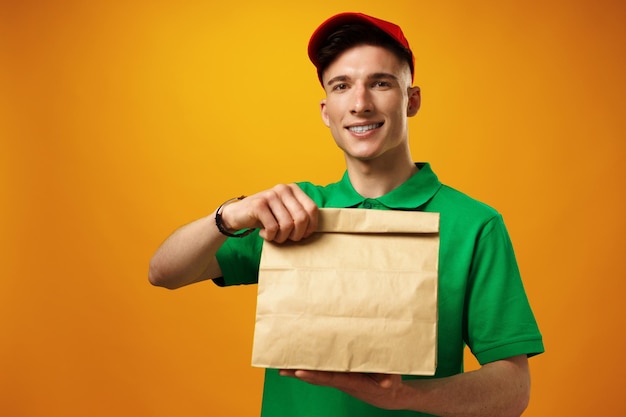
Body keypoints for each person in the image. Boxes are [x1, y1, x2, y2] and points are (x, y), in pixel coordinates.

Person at [149, 12, 544, 417]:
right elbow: (163, 273)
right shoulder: (292, 210)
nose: (360, 104)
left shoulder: (474, 224)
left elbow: (513, 390)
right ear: (326, 110)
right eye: (342, 86)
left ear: (412, 100)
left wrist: (406, 396)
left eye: (380, 83)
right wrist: (231, 215)